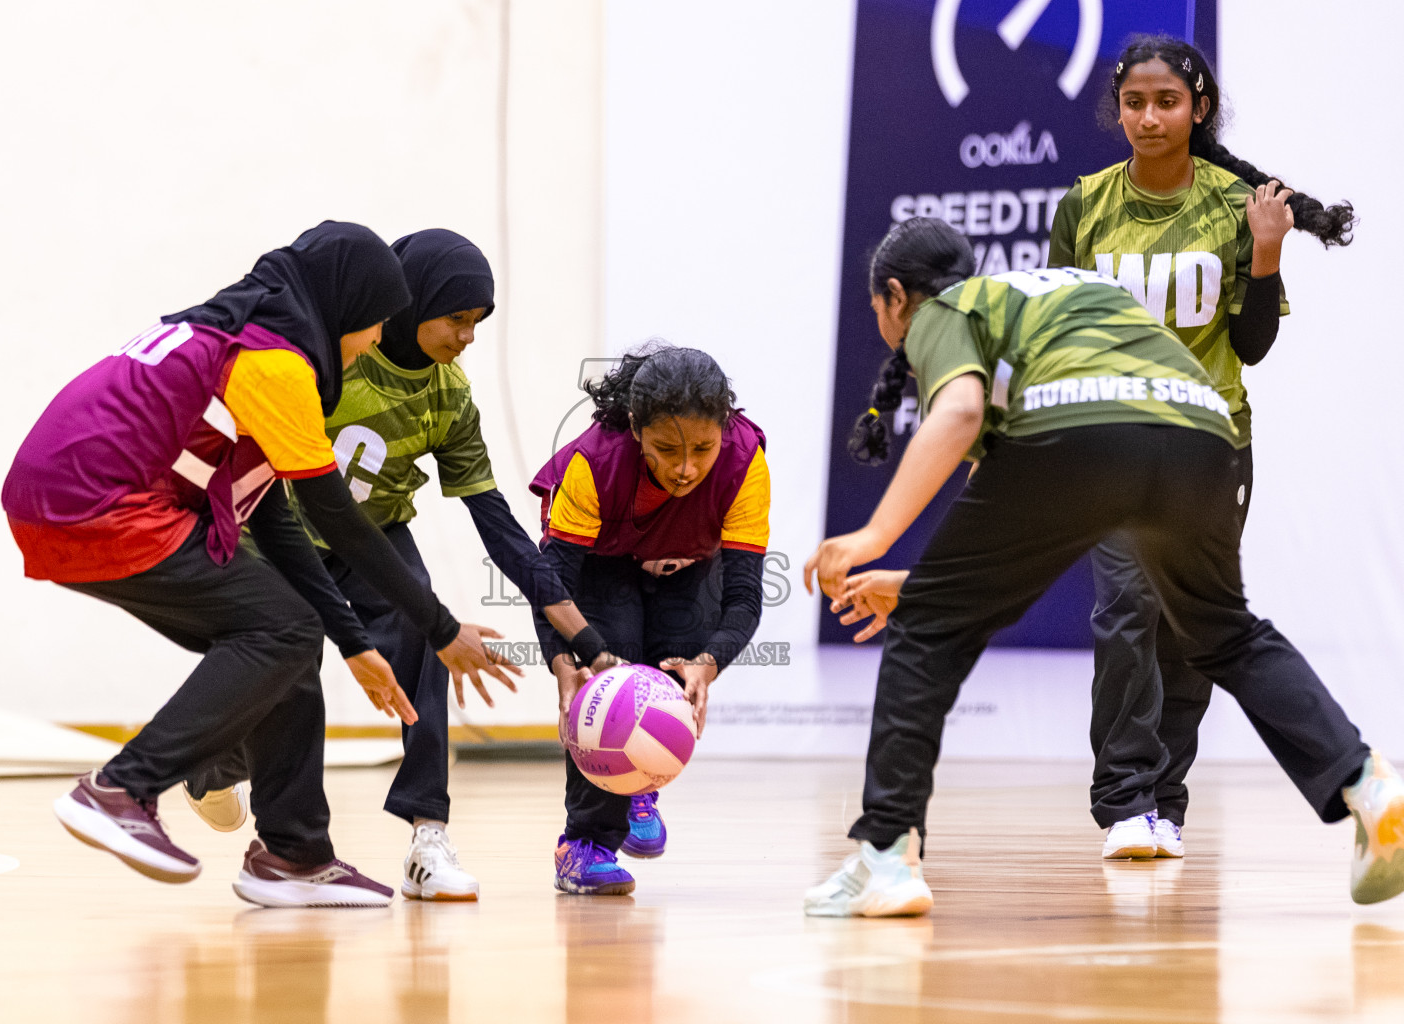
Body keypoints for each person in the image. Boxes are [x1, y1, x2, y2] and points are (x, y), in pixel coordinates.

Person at [801, 217, 1404, 918]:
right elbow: (1019, 525)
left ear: (896, 297)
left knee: (926, 634)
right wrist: (924, 585)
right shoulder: (1059, 295)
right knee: (1224, 633)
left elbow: (963, 412)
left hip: (1084, 429)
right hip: (1204, 433)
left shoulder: (949, 308)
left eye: (879, 309)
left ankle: (885, 859)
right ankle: (1368, 785)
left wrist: (874, 537)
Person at [2, 221, 517, 908]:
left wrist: (357, 645)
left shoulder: (246, 337)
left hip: (56, 500)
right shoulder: (277, 363)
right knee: (285, 631)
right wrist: (440, 626)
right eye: (373, 323)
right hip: (98, 501)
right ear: (346, 304)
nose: (372, 341)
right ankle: (123, 787)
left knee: (289, 634)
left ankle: (293, 855)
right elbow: (338, 520)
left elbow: (272, 516)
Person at [1050, 34, 1358, 861]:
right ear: (1117, 109)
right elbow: (1056, 329)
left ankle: (1165, 801)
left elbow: (1252, 347)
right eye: (1133, 103)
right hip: (1112, 446)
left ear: (1200, 109)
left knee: (1189, 626)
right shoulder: (1082, 205)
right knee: (1125, 611)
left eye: (1166, 102)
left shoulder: (1236, 203)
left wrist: (1266, 252)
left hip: (1211, 446)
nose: (1149, 118)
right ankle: (1121, 802)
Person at [298, 228, 611, 900]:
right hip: (282, 541)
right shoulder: (342, 360)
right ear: (412, 304)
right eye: (457, 319)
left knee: (425, 638)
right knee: (278, 659)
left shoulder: (450, 394)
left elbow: (497, 525)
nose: (468, 336)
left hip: (375, 539)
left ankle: (426, 839)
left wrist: (586, 640)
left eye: (477, 323)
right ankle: (231, 773)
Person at [530, 345, 771, 894]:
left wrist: (709, 665)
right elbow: (551, 584)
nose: (686, 469)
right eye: (666, 449)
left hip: (687, 568)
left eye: (703, 449)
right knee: (606, 676)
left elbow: (744, 598)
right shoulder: (593, 463)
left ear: (724, 430)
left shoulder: (744, 459)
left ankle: (640, 780)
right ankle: (582, 844)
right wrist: (563, 663)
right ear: (636, 429)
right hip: (600, 566)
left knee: (679, 656)